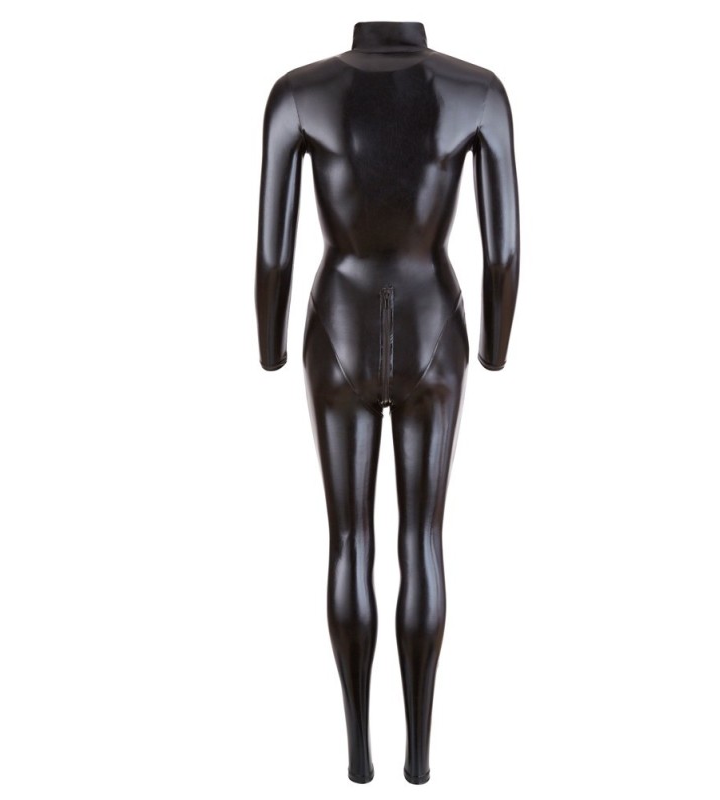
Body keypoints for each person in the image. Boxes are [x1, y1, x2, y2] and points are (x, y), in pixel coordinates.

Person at [255, 20, 520, 784]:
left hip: (336, 328)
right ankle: (419, 758)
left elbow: (272, 253)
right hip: (433, 328)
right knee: (423, 542)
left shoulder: (298, 94)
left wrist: (270, 346)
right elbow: (503, 252)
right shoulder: (479, 93)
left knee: (348, 542)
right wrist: (495, 347)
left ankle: (358, 756)